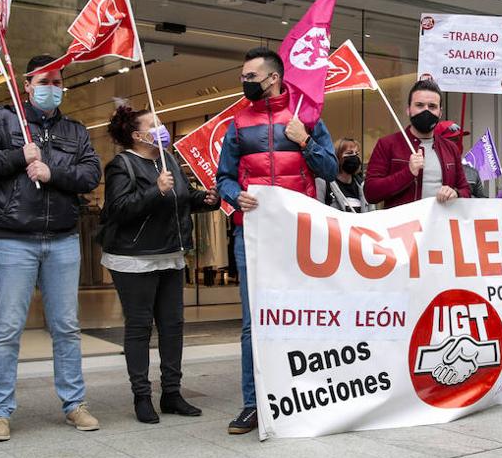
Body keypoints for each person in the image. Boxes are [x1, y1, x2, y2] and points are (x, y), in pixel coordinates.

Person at [0, 55, 102, 442]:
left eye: (58, 82)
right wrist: (15, 157)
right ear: (26, 84)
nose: (52, 88)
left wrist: (52, 172)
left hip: (62, 238)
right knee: (6, 328)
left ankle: (74, 404)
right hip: (13, 239)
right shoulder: (2, 120)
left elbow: (91, 173)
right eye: (45, 81)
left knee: (66, 327)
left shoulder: (75, 130)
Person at [216, 46, 338, 434]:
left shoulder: (307, 118)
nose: (244, 82)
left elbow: (331, 169)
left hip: (299, 235)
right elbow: (224, 178)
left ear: (272, 77)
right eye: (243, 76)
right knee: (253, 324)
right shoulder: (237, 122)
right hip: (251, 234)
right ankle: (253, 405)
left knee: (302, 316)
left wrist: (304, 140)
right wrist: (236, 195)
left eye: (250, 76)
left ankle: (303, 397)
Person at [101, 106, 220, 422]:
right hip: (135, 258)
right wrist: (156, 190)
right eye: (154, 125)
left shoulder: (169, 164)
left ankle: (172, 393)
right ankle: (142, 395)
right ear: (137, 135)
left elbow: (181, 199)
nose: (162, 128)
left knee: (172, 326)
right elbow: (120, 209)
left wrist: (203, 200)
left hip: (171, 254)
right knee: (140, 327)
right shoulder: (121, 165)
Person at [365, 79, 469, 208]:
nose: (426, 111)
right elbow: (371, 193)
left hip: (441, 225)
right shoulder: (387, 144)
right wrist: (408, 173)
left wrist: (456, 193)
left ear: (440, 112)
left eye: (432, 106)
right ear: (408, 110)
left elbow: (466, 189)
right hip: (403, 226)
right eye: (419, 105)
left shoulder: (450, 148)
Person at [326, 138, 370, 212]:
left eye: (356, 154)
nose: (354, 156)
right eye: (349, 153)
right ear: (338, 157)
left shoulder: (363, 186)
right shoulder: (325, 183)